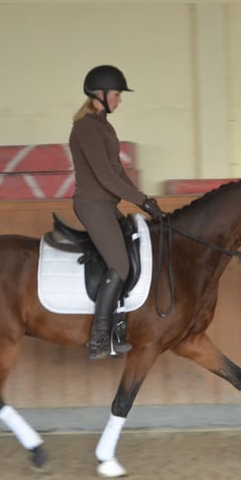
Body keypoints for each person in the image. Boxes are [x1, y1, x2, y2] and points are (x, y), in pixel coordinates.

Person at [69, 64, 164, 360]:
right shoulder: (85, 128)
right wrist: (140, 201)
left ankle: (119, 328)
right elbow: (105, 177)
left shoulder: (103, 126)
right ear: (100, 94)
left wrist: (145, 199)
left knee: (132, 256)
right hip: (92, 204)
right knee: (120, 265)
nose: (120, 100)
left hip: (108, 205)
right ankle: (98, 339)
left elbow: (118, 172)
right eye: (117, 94)